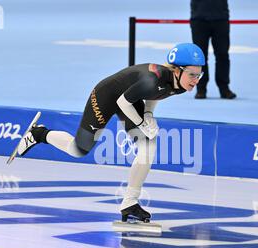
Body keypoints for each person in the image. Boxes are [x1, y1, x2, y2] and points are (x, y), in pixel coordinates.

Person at [14, 43, 205, 224]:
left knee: (148, 146)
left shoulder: (181, 84)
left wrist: (148, 114)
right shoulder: (152, 79)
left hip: (130, 99)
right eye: (192, 74)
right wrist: (141, 121)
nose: (196, 80)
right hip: (107, 96)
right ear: (176, 70)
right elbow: (125, 101)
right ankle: (39, 134)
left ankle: (130, 202)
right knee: (78, 150)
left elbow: (155, 94)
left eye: (199, 75)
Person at [190, 0, 236, 100]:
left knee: (222, 55)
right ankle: (201, 89)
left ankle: (224, 88)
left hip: (220, 19)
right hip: (199, 20)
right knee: (199, 57)